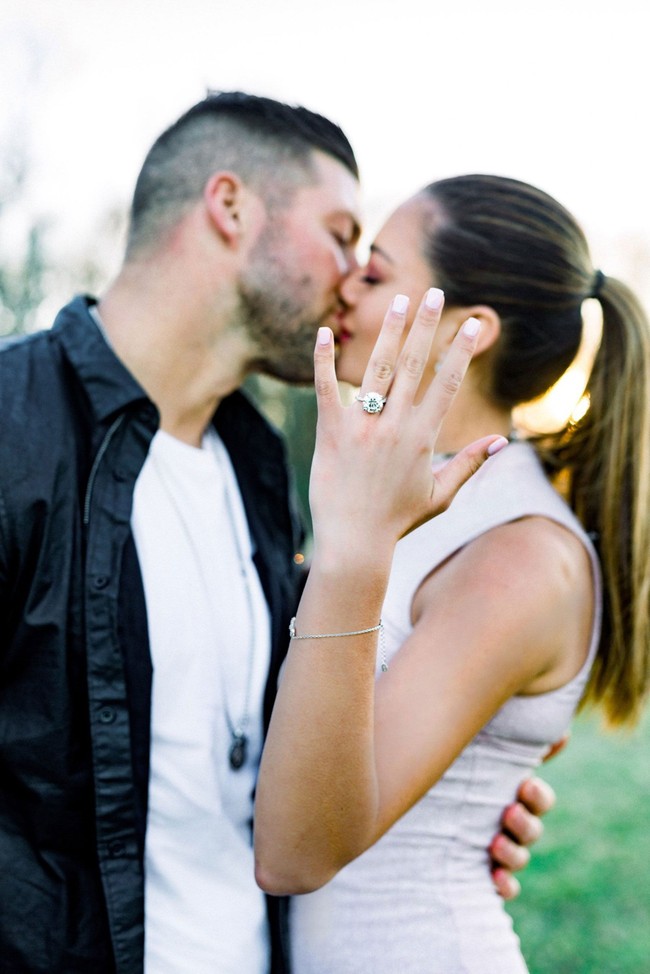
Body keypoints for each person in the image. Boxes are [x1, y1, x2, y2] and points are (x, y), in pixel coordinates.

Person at [0, 92, 550, 974]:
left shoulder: (260, 469)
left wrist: (453, 797)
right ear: (229, 207)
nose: (352, 278)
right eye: (340, 235)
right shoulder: (13, 430)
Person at [254, 174, 650, 972]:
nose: (344, 292)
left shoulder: (523, 556)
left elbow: (297, 852)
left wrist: (351, 544)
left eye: (375, 275)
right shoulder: (421, 501)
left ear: (468, 330)